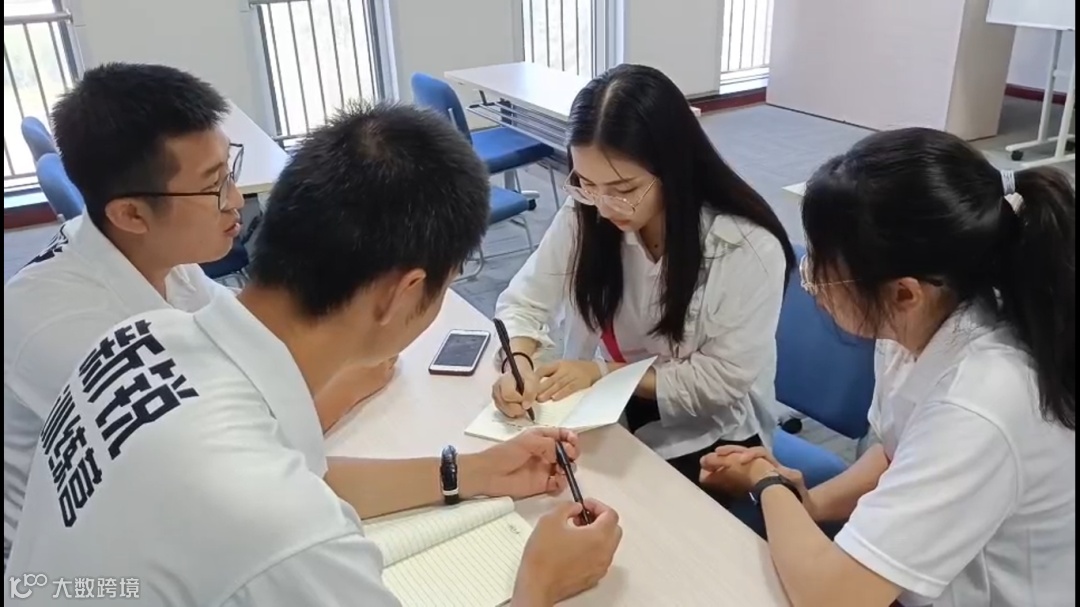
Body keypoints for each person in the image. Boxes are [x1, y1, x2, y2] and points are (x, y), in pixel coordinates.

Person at [6, 102, 622, 606]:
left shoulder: (137, 337)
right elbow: (280, 514)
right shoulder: (284, 530)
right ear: (403, 292)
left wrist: (476, 471)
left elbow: (303, 477)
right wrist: (540, 587)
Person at [2, 63, 393, 565]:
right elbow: (236, 466)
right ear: (131, 214)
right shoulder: (67, 331)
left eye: (229, 171)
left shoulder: (157, 256)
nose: (235, 201)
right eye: (213, 187)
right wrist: (345, 387)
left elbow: (250, 344)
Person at [702, 128, 1075, 607]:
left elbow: (831, 599)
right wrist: (809, 503)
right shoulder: (922, 321)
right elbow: (896, 453)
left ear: (903, 292)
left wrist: (766, 481)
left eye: (824, 267)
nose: (810, 276)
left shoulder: (978, 404)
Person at [491, 64, 796, 501]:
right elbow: (524, 302)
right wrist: (518, 361)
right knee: (537, 484)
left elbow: (720, 383)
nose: (604, 205)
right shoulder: (587, 212)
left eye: (624, 188)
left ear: (674, 168)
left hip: (713, 432)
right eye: (586, 183)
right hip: (610, 404)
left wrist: (601, 374)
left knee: (611, 508)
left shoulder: (744, 245)